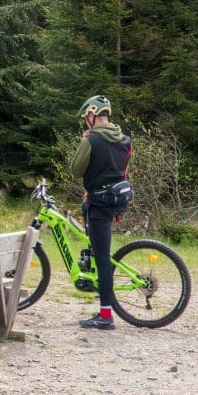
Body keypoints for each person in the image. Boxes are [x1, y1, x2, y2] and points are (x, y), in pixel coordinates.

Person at [71, 95, 133, 330]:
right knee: (99, 251)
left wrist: (84, 142)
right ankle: (103, 307)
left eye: (86, 117)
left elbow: (76, 171)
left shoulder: (92, 140)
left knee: (103, 259)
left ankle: (106, 316)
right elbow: (120, 170)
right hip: (115, 197)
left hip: (100, 203)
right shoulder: (125, 140)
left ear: (92, 115)